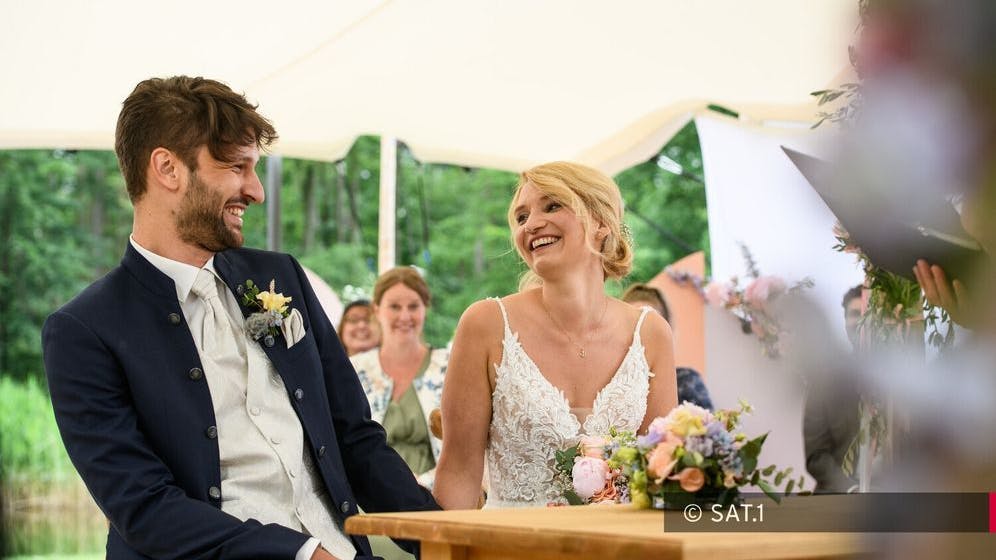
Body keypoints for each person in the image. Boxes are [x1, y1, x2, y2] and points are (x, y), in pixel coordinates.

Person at [42, 76, 436, 560]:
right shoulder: (84, 331)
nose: (255, 191)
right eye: (235, 167)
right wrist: (302, 555)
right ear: (167, 168)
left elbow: (353, 436)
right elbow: (144, 508)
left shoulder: (281, 278)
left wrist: (443, 536)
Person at [433, 161, 678, 509]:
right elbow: (459, 471)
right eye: (521, 217)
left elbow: (659, 477)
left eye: (552, 206)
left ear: (601, 222)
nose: (531, 224)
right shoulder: (485, 324)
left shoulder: (651, 333)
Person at [350, 268, 447, 488]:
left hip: (436, 498)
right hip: (369, 496)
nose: (404, 316)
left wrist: (419, 485)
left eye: (413, 306)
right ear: (376, 310)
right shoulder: (355, 369)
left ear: (425, 309)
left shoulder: (448, 366)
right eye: (394, 307)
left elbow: (467, 446)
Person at [802, 284, 863, 493]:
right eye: (855, 314)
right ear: (845, 323)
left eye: (868, 313)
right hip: (840, 495)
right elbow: (816, 456)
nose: (861, 320)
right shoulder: (824, 380)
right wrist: (852, 490)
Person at [621, 282, 714, 410]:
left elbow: (709, 428)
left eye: (649, 325)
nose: (638, 334)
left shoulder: (686, 382)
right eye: (631, 324)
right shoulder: (606, 386)